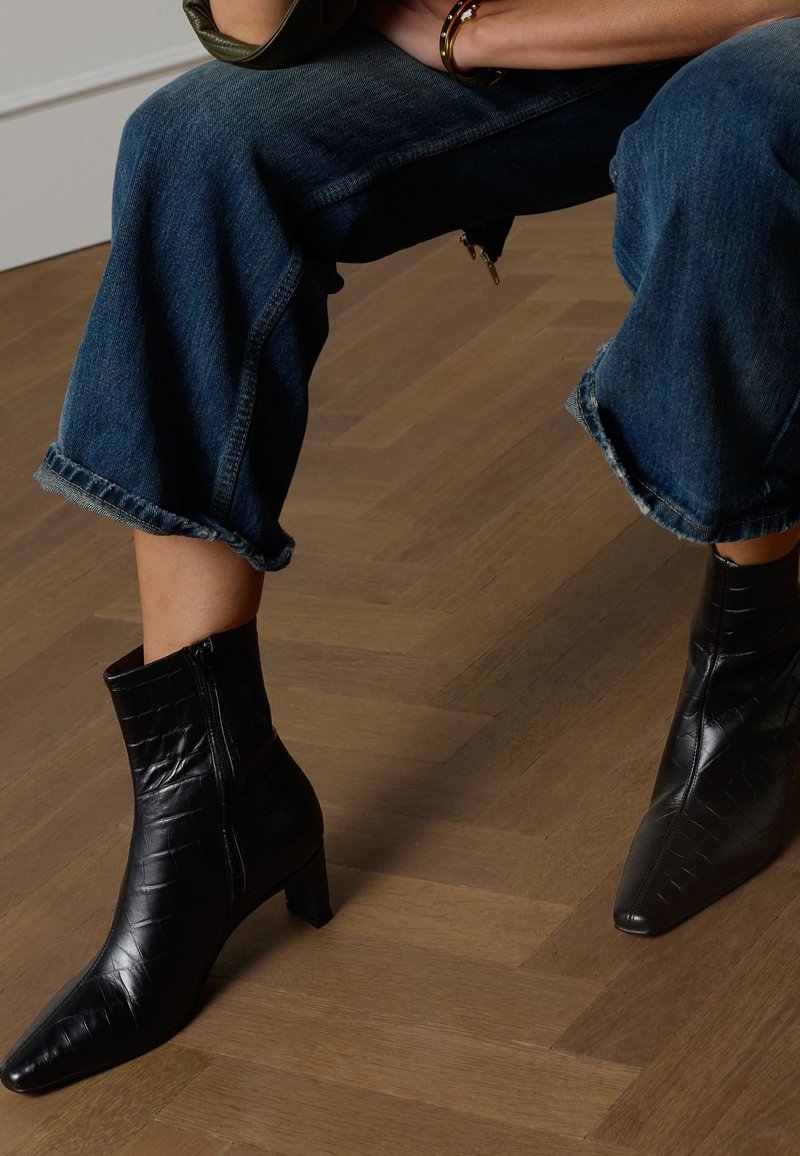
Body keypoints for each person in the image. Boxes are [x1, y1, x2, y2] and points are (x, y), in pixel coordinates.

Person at [2, 0, 800, 1095]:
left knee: (718, 142)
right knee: (198, 144)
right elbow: (251, 27)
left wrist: (471, 35)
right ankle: (213, 800)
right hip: (544, 19)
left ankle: (754, 661)